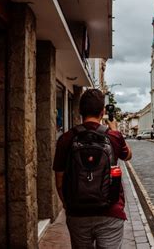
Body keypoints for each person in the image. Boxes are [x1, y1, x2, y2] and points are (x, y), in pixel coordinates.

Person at [53, 89, 132, 249]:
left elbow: (59, 180)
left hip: (78, 213)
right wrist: (115, 129)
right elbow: (128, 155)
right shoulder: (114, 136)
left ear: (80, 111)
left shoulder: (66, 139)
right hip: (110, 211)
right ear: (102, 112)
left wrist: (68, 205)